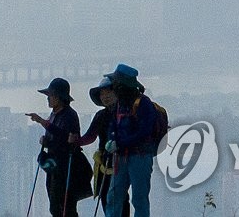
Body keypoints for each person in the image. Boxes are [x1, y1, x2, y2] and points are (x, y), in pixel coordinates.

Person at [26, 77, 91, 217]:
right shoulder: (54, 114)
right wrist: (46, 141)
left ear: (60, 97)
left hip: (66, 165)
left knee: (65, 204)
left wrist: (42, 122)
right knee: (54, 204)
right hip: (54, 165)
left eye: (51, 95)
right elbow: (55, 137)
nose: (48, 99)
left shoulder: (69, 115)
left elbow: (64, 137)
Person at [102, 64, 159, 217]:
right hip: (121, 157)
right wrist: (111, 139)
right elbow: (113, 124)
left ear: (122, 84)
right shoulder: (120, 104)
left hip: (140, 157)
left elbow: (144, 132)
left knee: (139, 199)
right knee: (113, 196)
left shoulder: (143, 104)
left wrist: (119, 143)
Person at [72, 77, 129, 217]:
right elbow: (90, 136)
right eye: (102, 94)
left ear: (116, 93)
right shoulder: (101, 115)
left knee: (120, 197)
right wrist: (76, 141)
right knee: (105, 196)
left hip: (121, 161)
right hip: (104, 162)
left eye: (108, 93)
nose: (105, 97)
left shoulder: (125, 113)